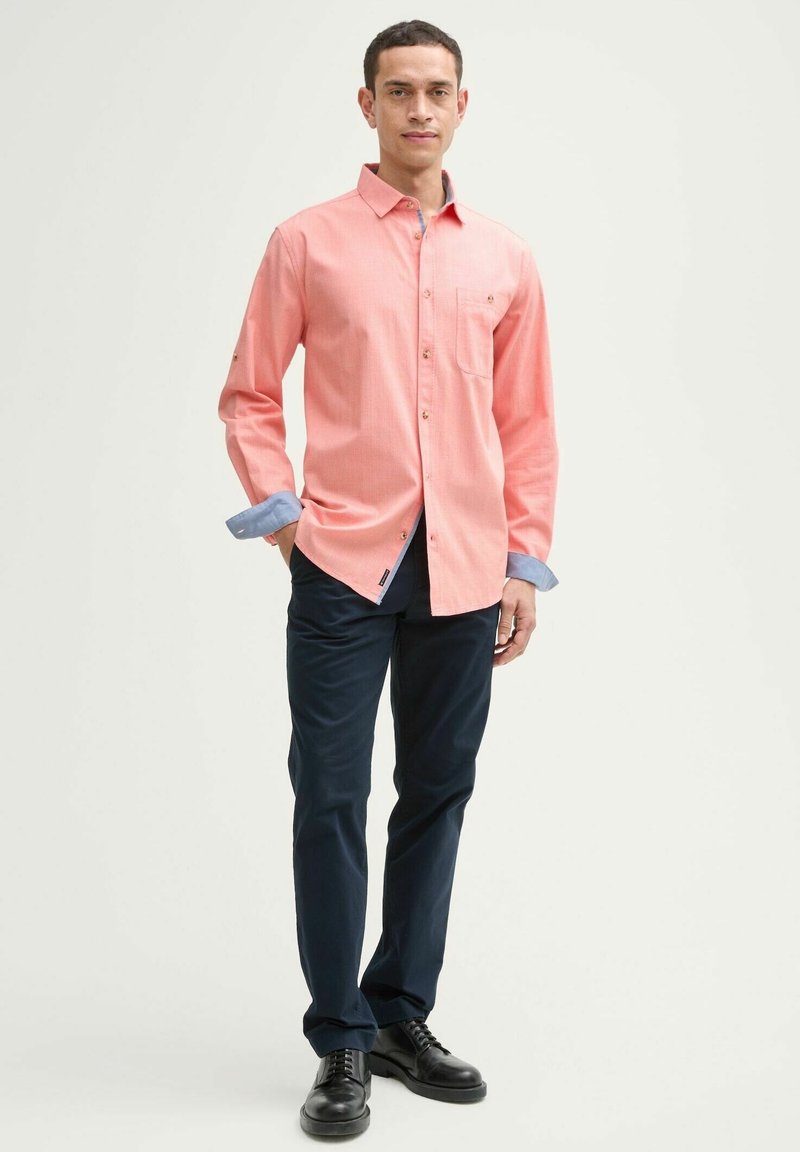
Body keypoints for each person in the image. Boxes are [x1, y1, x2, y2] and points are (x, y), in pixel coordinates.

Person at [217, 18, 559, 1138]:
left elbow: (526, 421)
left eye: (437, 90)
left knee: (438, 790)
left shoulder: (503, 257)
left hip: (465, 566)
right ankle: (341, 1038)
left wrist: (522, 559)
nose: (419, 108)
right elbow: (250, 393)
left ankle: (401, 1011)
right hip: (342, 564)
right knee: (329, 795)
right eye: (398, 90)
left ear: (462, 105)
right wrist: (285, 522)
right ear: (365, 106)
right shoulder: (305, 242)